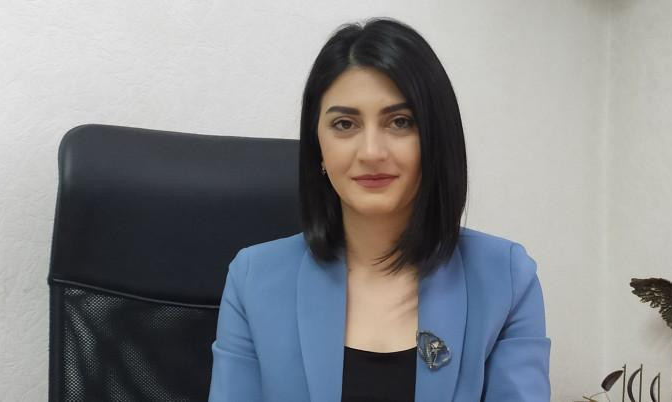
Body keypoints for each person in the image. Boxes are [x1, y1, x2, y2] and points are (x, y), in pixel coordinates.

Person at [208, 17, 550, 402]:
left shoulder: (506, 279)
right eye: (344, 124)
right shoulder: (254, 280)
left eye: (400, 122)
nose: (371, 152)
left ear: (435, 138)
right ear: (318, 147)